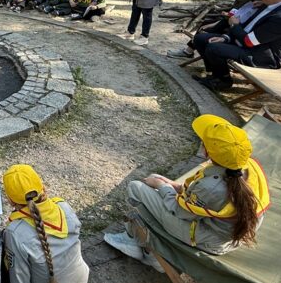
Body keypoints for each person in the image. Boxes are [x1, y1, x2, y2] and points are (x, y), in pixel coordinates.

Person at [104, 114, 270, 267]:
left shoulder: (211, 187)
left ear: (207, 151)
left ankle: (140, 244)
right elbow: (204, 202)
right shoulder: (246, 167)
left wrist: (162, 187)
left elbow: (180, 211)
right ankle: (146, 245)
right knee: (156, 178)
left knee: (136, 187)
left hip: (208, 240)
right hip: (222, 233)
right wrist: (173, 186)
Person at [0, 165, 90, 283]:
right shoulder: (63, 206)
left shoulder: (15, 233)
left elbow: (20, 281)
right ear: (42, 187)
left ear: (10, 200)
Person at [191, 0, 281, 91]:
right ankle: (214, 74)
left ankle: (223, 80)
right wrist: (226, 37)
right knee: (200, 39)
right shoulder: (272, 3)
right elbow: (248, 26)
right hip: (246, 43)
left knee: (214, 48)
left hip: (260, 55)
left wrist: (234, 25)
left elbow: (249, 41)